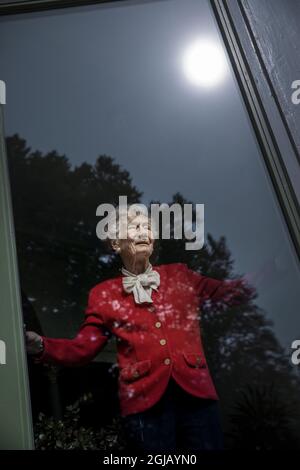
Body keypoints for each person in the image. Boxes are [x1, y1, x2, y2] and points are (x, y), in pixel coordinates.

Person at [26, 207, 254, 452]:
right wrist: (40, 345)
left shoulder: (179, 275)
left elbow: (230, 292)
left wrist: (275, 269)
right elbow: (83, 348)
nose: (144, 232)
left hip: (196, 396)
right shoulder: (103, 295)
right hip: (145, 405)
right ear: (115, 243)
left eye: (147, 228)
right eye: (135, 227)